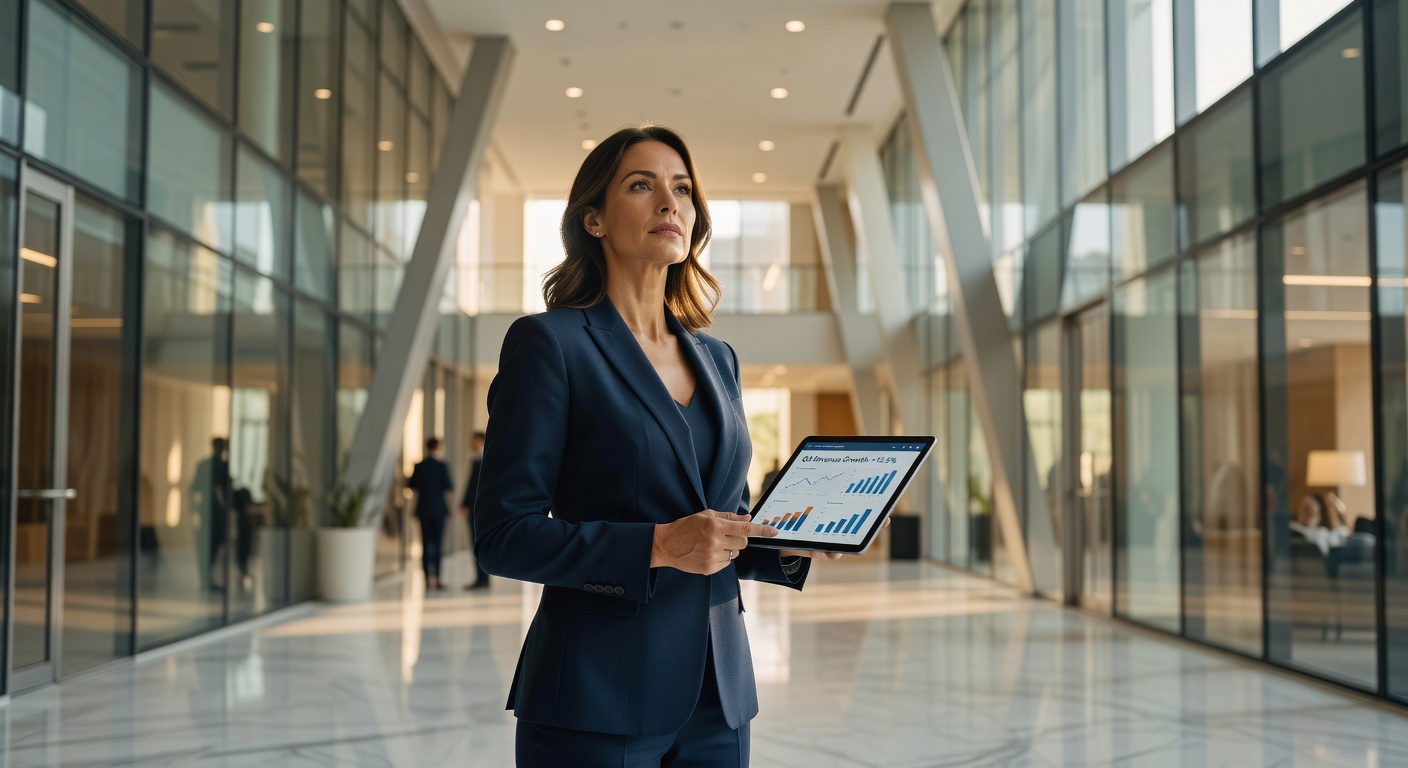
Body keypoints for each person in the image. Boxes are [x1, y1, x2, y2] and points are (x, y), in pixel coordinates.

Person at [474, 125, 849, 766]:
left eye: (682, 189)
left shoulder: (717, 359)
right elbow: (504, 535)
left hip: (720, 698)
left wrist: (794, 538)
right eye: (641, 186)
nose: (669, 203)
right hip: (595, 699)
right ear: (593, 219)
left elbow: (719, 523)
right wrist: (657, 545)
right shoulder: (551, 345)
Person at [408, 437, 454, 591]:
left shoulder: (419, 466)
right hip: (439, 510)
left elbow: (411, 485)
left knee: (426, 544)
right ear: (438, 447)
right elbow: (449, 485)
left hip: (423, 509)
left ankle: (427, 579)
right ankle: (438, 578)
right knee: (438, 544)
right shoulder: (442, 466)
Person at [459, 431, 490, 590]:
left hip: (478, 508)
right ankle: (481, 578)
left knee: (478, 541)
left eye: (473, 441)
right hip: (476, 508)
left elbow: (473, 487)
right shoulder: (477, 460)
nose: (471, 443)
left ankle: (482, 578)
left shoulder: (483, 460)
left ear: (480, 441)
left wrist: (465, 504)